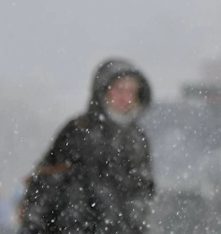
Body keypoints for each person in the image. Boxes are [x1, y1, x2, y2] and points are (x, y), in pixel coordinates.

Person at [19, 59, 155, 234]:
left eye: (131, 91)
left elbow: (141, 193)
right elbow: (46, 184)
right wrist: (33, 226)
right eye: (119, 89)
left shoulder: (137, 139)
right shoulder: (78, 130)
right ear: (103, 91)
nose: (125, 97)